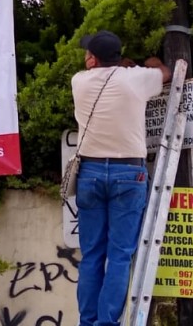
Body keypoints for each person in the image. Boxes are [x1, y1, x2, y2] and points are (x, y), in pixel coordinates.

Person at [71, 29, 170, 326]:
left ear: (92, 59)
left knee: (91, 256)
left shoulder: (78, 82)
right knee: (120, 256)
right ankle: (106, 323)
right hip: (129, 174)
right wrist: (145, 61)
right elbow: (163, 71)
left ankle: (86, 322)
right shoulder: (136, 79)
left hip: (89, 172)